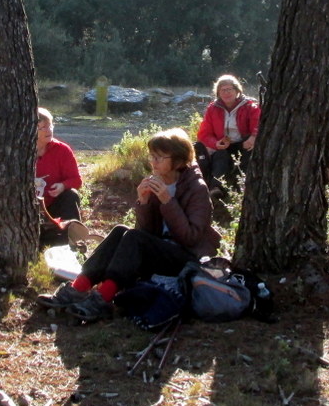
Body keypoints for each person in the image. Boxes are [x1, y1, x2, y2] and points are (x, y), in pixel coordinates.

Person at [37, 127, 220, 322]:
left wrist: (168, 202)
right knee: (120, 231)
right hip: (160, 250)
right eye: (152, 157)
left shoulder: (196, 188)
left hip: (185, 258)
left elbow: (190, 237)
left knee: (133, 236)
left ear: (178, 160)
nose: (153, 162)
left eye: (159, 158)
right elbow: (146, 231)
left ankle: (104, 298)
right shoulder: (158, 181)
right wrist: (143, 202)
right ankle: (79, 287)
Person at [195, 74, 261, 195]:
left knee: (249, 150)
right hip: (223, 145)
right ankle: (216, 188)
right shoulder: (213, 109)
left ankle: (242, 186)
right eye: (223, 90)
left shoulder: (249, 106)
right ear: (218, 93)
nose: (226, 93)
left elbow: (258, 125)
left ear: (237, 90)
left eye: (230, 89)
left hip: (243, 144)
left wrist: (253, 137)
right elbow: (204, 134)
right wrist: (215, 143)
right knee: (220, 154)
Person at [36, 107, 84, 246]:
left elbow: (76, 180)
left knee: (71, 195)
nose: (49, 130)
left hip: (54, 205)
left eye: (50, 125)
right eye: (43, 127)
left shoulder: (62, 150)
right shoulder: (19, 151)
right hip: (27, 207)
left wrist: (63, 186)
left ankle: (72, 240)